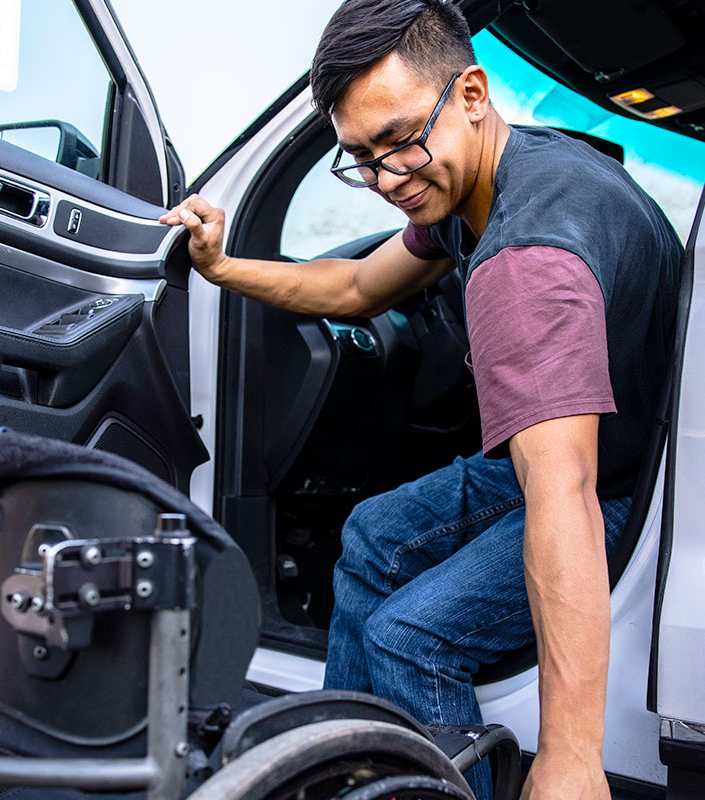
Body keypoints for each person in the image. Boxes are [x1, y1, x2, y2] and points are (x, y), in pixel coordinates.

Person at [159, 1, 683, 797]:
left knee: (410, 636)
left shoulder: (524, 262)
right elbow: (360, 283)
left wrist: (571, 757)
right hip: (609, 452)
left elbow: (564, 494)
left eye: (401, 140)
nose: (387, 178)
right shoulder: (488, 178)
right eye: (361, 157)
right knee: (372, 532)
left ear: (471, 94)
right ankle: (345, 767)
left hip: (623, 490)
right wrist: (224, 268)